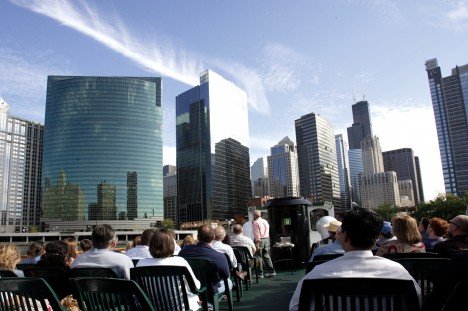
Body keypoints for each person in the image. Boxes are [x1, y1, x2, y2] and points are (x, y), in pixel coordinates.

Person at [289, 208, 421, 311]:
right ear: (376, 239)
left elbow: (296, 307)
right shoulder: (399, 273)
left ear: (343, 236)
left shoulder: (318, 274)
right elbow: (416, 303)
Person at [137, 228, 202, 311]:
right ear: (171, 245)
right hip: (181, 308)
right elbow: (196, 286)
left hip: (153, 307)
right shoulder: (179, 262)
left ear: (151, 245)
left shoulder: (141, 264)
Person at [179, 225, 232, 296]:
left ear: (197, 237)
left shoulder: (184, 250)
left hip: (190, 288)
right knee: (229, 282)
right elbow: (226, 275)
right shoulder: (219, 256)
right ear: (213, 237)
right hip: (211, 290)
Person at [252, 210, 276, 278]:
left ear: (255, 215)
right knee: (266, 255)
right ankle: (271, 271)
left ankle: (260, 273)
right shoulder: (265, 221)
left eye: (253, 215)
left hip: (260, 240)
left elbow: (257, 234)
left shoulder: (255, 222)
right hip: (266, 239)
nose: (253, 216)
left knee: (258, 256)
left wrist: (256, 243)